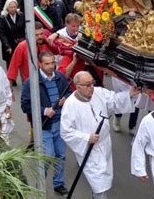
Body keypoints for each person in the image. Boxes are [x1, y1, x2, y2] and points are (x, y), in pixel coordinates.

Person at [60, 71, 141, 199]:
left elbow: (114, 100)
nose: (91, 87)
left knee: (103, 181)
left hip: (104, 144)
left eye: (92, 83)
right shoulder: (70, 105)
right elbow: (66, 132)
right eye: (87, 85)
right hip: (89, 149)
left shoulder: (98, 92)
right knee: (99, 185)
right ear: (78, 87)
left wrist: (129, 94)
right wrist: (87, 138)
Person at [21, 51, 74, 196]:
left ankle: (58, 184)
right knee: (47, 156)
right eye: (47, 64)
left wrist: (66, 99)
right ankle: (40, 184)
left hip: (60, 124)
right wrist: (44, 111)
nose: (51, 66)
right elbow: (25, 105)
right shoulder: (31, 82)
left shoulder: (60, 77)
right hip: (44, 126)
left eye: (53, 63)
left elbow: (70, 92)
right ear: (40, 64)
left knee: (61, 155)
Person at [7, 22, 57, 86]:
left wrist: (56, 35)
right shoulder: (22, 46)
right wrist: (10, 89)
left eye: (41, 34)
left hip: (49, 82)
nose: (40, 37)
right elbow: (13, 68)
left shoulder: (47, 42)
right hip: (30, 85)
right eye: (36, 35)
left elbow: (59, 50)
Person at [0, 0, 26, 69]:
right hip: (10, 45)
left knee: (23, 64)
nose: (13, 9)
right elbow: (2, 33)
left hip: (20, 43)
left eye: (15, 7)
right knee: (11, 66)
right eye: (11, 7)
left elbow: (25, 29)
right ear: (7, 8)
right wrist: (7, 46)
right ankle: (11, 80)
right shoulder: (3, 18)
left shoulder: (21, 15)